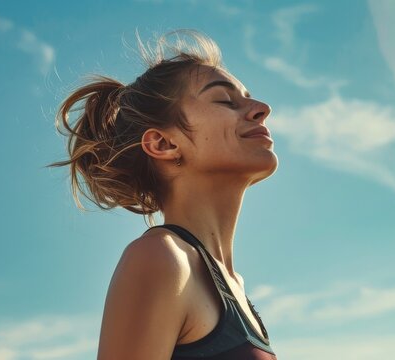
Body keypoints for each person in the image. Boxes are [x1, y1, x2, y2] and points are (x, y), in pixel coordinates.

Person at [49, 30, 279, 359]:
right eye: (225, 101)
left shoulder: (235, 288)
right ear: (163, 144)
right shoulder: (161, 258)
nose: (262, 109)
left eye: (248, 98)